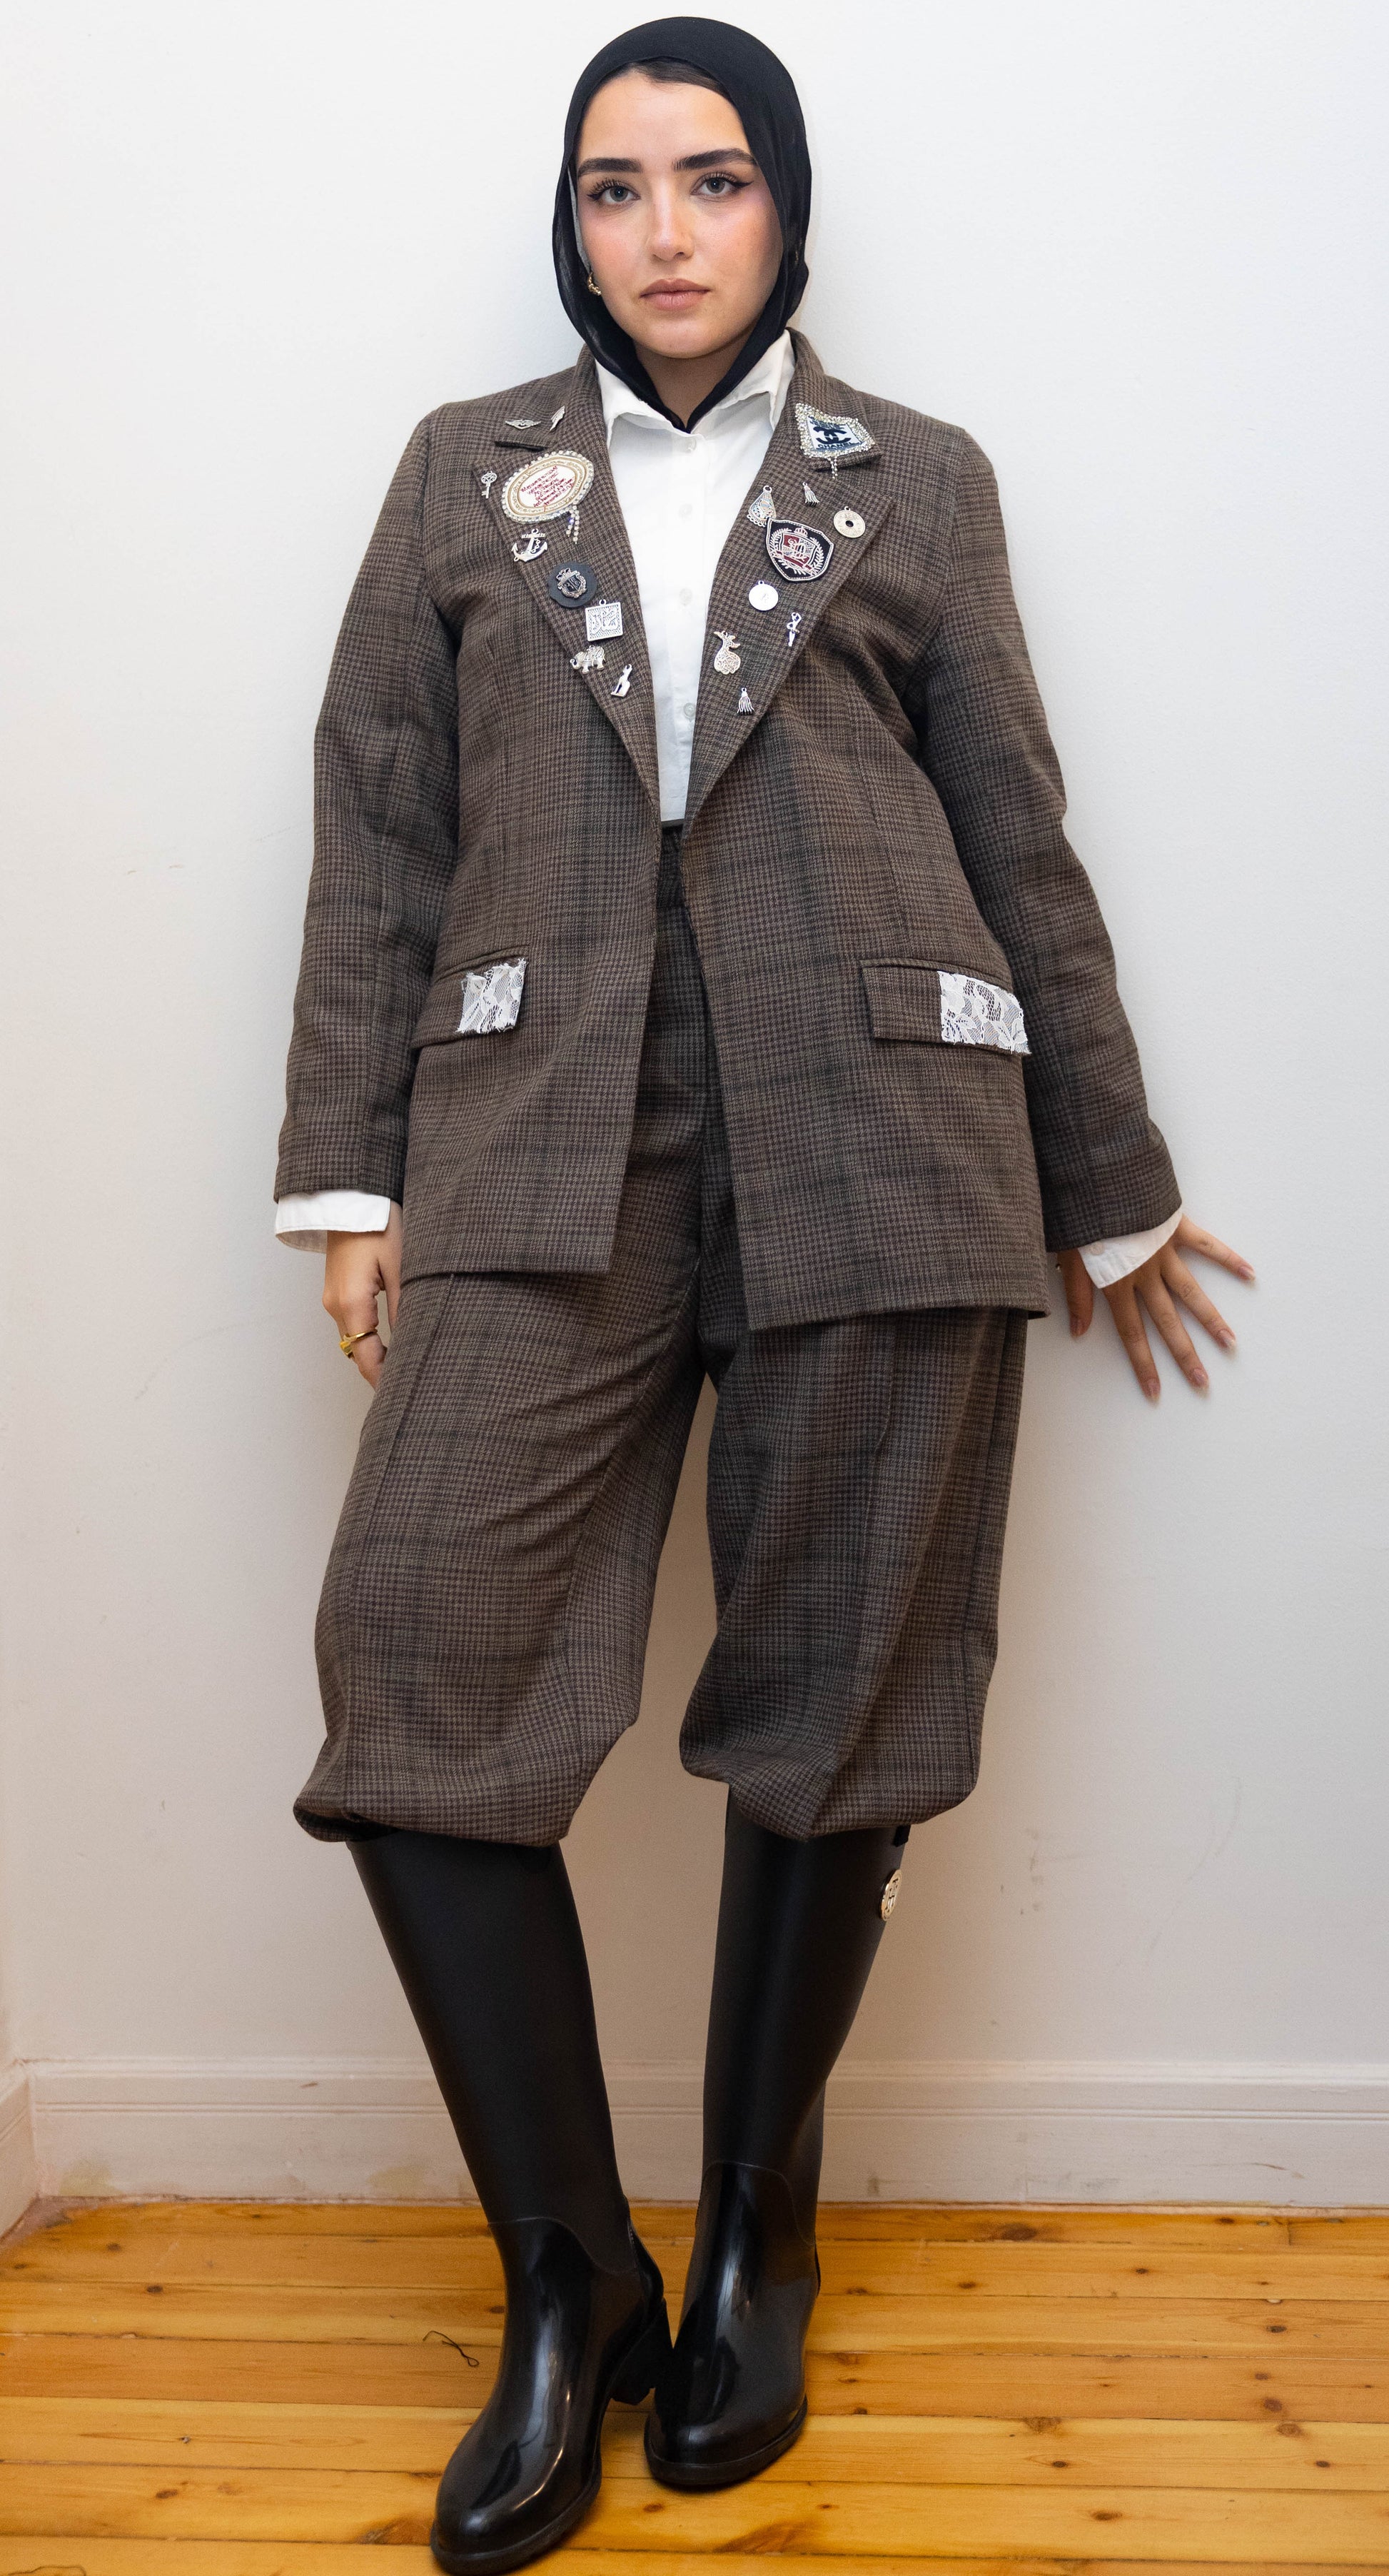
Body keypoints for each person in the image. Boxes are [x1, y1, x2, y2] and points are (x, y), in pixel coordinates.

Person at [274, 19, 1252, 2572]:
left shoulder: (915, 478)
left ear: (785, 204)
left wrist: (1109, 1180)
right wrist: (351, 1178)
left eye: (713, 180)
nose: (667, 231)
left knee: (840, 1702)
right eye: (616, 188)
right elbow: (377, 828)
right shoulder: (460, 471)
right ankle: (565, 2275)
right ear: (570, 221)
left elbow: (1012, 825)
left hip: (887, 1134)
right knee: (416, 1666)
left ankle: (754, 2247)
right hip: (534, 1136)